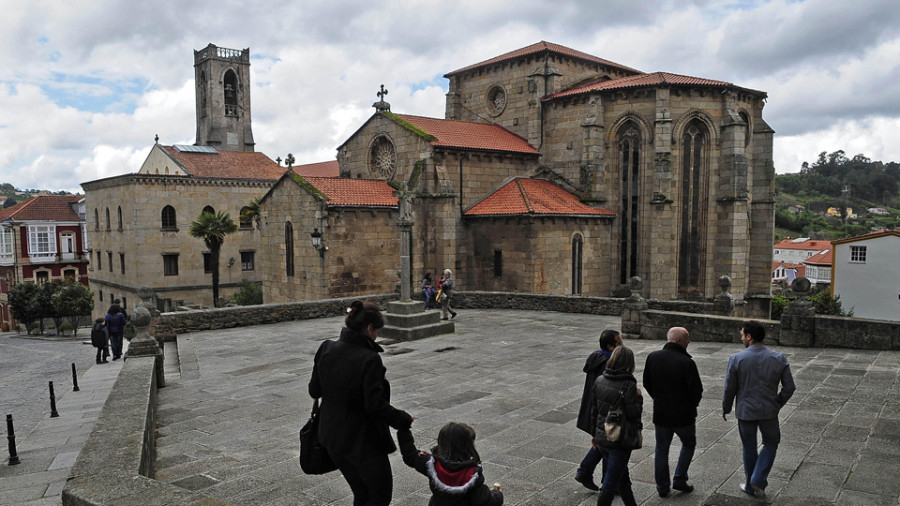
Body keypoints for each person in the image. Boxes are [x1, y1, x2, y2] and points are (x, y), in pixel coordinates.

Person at [308, 300, 413, 506]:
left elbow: (314, 390)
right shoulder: (369, 359)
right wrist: (403, 419)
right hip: (362, 443)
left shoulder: (326, 348)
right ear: (369, 328)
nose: (377, 337)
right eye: (376, 331)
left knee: (361, 493)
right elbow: (374, 405)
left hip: (331, 438)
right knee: (379, 497)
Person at [722, 321, 796, 498]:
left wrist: (726, 407)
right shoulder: (778, 358)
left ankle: (750, 484)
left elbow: (729, 387)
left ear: (749, 336)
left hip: (745, 411)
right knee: (771, 443)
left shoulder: (737, 359)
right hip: (769, 410)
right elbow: (789, 387)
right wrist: (777, 403)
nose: (741, 338)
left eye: (742, 335)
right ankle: (759, 479)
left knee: (749, 447)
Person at [643, 327, 703, 497]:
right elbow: (696, 390)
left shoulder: (653, 357)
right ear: (677, 340)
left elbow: (647, 382)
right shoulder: (687, 362)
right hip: (683, 415)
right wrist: (691, 405)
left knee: (661, 449)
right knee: (688, 444)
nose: (689, 341)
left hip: (661, 412)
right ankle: (679, 478)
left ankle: (662, 486)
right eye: (687, 338)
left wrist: (659, 398)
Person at [398, 422, 504, 505]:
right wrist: (497, 493)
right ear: (467, 447)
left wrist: (404, 427)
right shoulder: (472, 474)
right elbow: (485, 501)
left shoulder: (432, 465)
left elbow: (410, 455)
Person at [591, 345, 642, 506]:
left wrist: (594, 435)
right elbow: (634, 414)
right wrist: (638, 397)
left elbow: (594, 411)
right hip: (619, 440)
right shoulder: (628, 385)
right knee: (609, 486)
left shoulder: (599, 380)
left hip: (602, 437)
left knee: (622, 478)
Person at [574, 329, 622, 491]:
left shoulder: (597, 357)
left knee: (603, 442)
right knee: (609, 443)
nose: (622, 346)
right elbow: (609, 391)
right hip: (603, 411)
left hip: (593, 407)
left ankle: (586, 471)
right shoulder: (609, 364)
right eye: (619, 343)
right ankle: (608, 483)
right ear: (610, 347)